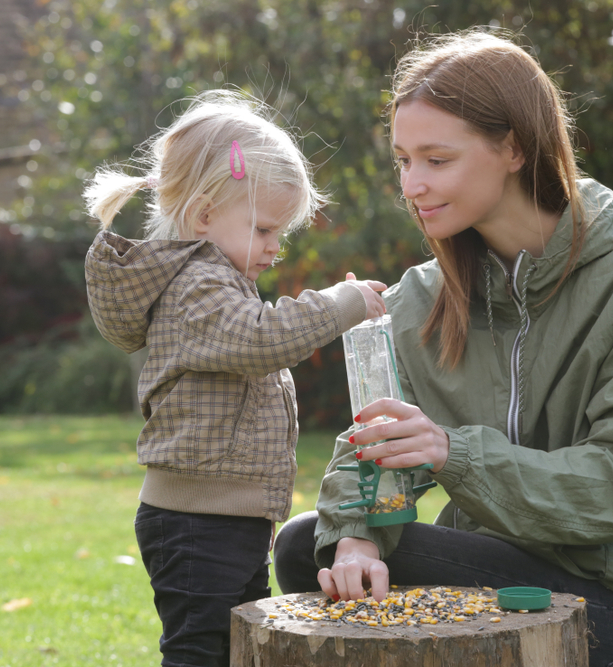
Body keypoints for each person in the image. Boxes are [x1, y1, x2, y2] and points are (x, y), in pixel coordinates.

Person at [273, 31, 613, 667]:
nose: (413, 185)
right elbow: (374, 443)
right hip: (500, 568)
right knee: (308, 548)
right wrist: (355, 540)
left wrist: (455, 455)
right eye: (403, 161)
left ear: (513, 147)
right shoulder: (425, 296)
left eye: (437, 159)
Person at [82, 90, 386, 667]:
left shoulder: (217, 281)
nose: (275, 248)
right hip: (197, 521)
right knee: (205, 650)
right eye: (266, 229)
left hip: (228, 516)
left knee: (244, 647)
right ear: (203, 215)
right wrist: (338, 304)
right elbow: (261, 339)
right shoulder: (197, 287)